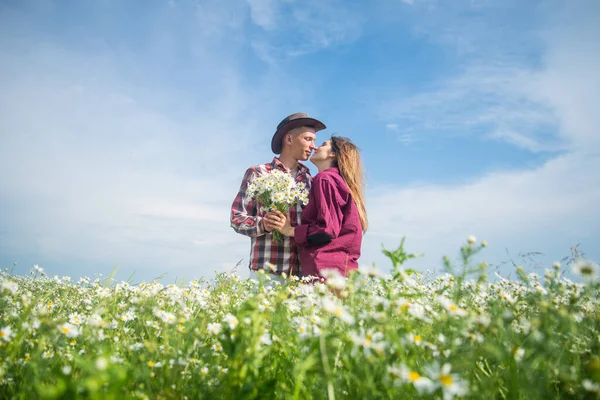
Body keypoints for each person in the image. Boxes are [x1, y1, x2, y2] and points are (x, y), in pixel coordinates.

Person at [230, 112, 327, 283]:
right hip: (267, 273)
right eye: (308, 139)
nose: (314, 146)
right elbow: (236, 218)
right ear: (289, 139)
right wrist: (264, 224)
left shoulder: (311, 181)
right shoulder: (258, 173)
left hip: (302, 275)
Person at [275, 136, 368, 280]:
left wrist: (290, 230)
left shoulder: (324, 179)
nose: (315, 147)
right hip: (341, 269)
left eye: (323, 145)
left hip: (325, 269)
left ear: (333, 154)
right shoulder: (339, 181)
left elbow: (327, 229)